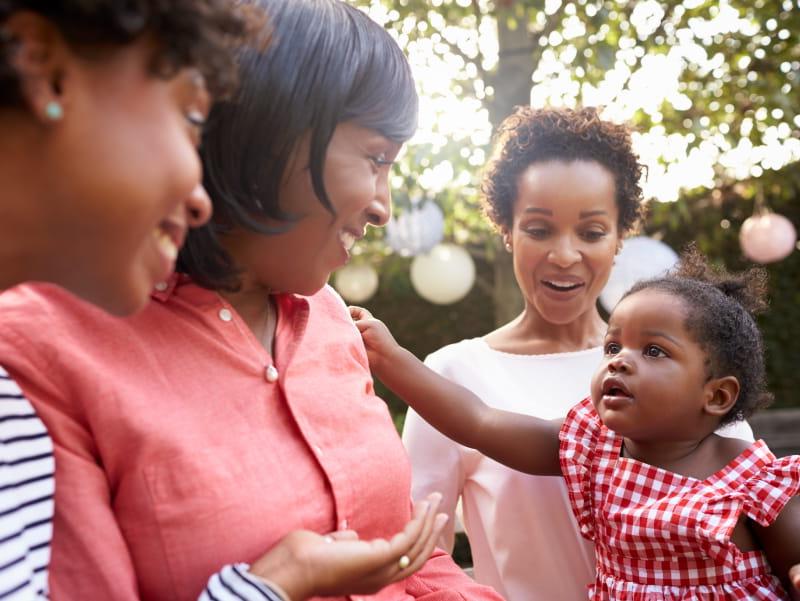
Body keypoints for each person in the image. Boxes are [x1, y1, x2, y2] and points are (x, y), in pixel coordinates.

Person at [0, 1, 504, 600]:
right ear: (263, 131)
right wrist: (275, 585)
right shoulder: (40, 347)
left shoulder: (331, 318)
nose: (383, 207)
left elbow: (411, 563)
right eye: (375, 158)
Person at [401, 106, 753, 600]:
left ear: (618, 238)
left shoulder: (690, 368)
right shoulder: (452, 375)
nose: (564, 255)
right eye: (539, 229)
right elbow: (417, 560)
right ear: (507, 230)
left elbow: (751, 522)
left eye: (590, 232)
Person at [353, 247, 800, 600]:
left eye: (654, 351)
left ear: (716, 395)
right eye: (612, 347)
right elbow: (479, 422)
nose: (620, 362)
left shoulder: (752, 482)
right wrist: (390, 359)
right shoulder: (594, 446)